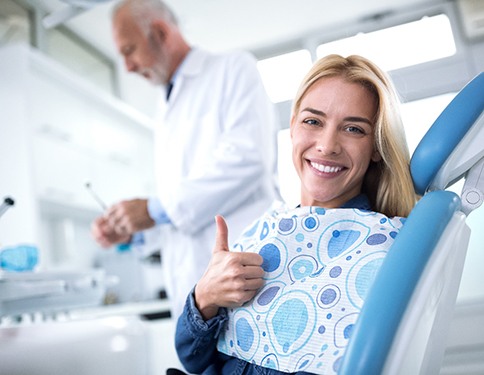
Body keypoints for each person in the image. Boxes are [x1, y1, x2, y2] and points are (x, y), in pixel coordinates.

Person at [174, 54, 417, 374]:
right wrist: (205, 297)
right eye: (313, 121)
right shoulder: (265, 232)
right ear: (292, 128)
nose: (327, 145)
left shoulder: (379, 248)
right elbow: (193, 359)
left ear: (375, 146)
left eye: (354, 129)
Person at [91, 0, 279, 319]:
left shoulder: (232, 69)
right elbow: (181, 209)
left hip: (244, 280)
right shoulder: (165, 107)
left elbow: (248, 158)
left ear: (161, 33)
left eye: (129, 50)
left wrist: (151, 210)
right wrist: (133, 228)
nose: (128, 67)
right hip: (194, 293)